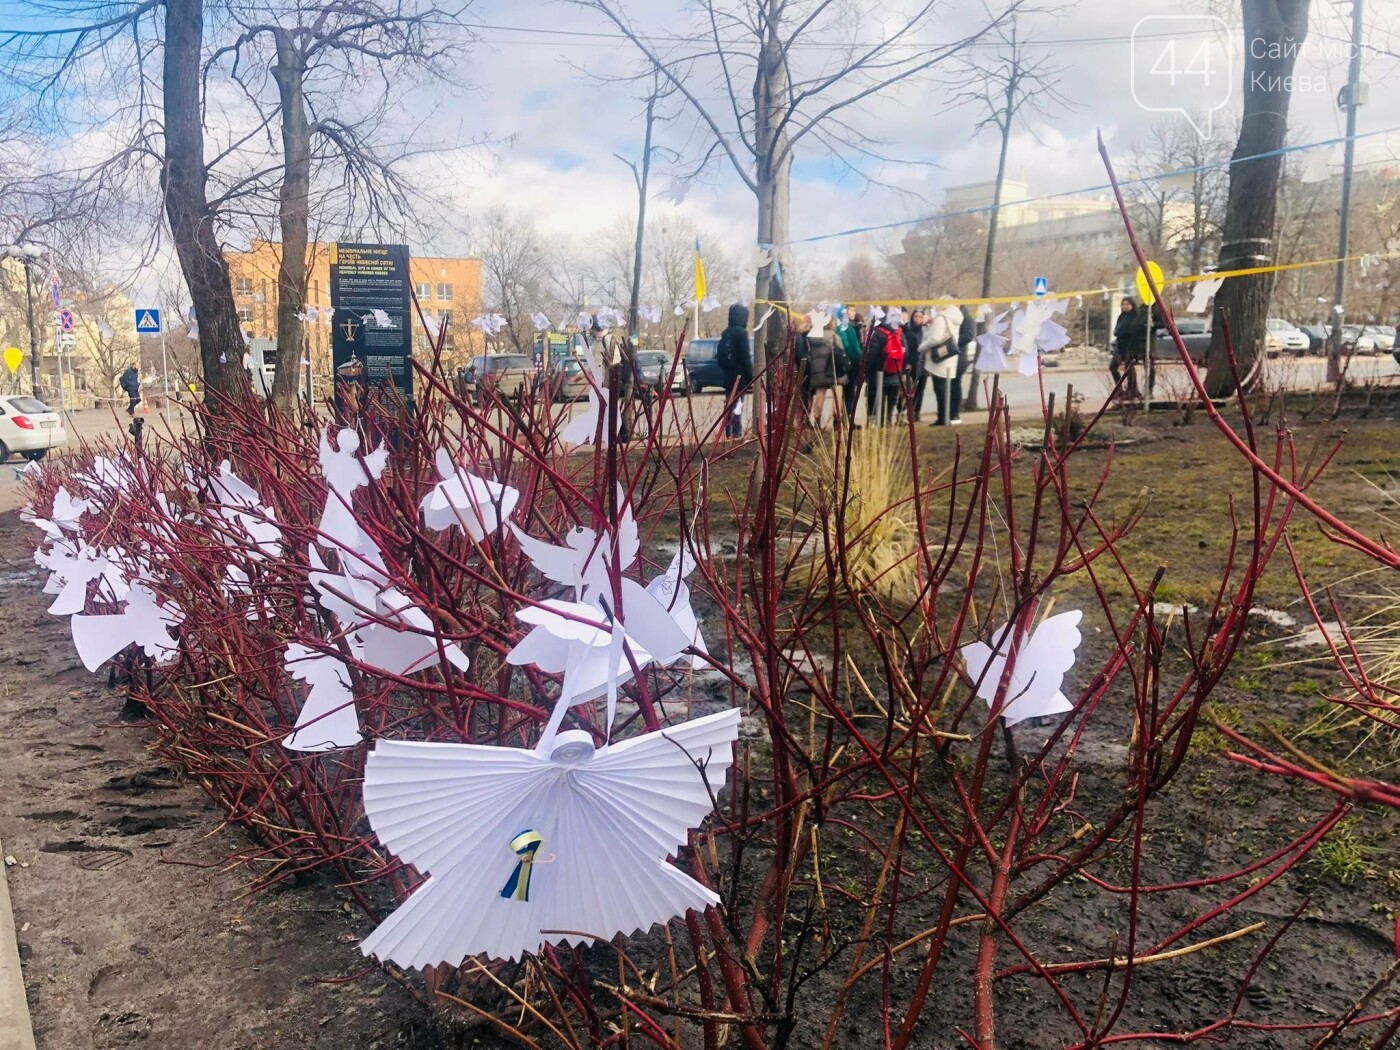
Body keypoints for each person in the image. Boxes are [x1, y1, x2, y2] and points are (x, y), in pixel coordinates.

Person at [591, 317, 633, 441]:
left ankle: (622, 434)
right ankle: (613, 434)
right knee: (605, 407)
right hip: (601, 380)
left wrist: (608, 376)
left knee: (610, 407)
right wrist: (580, 375)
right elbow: (594, 362)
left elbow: (615, 359)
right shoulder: (597, 342)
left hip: (611, 379)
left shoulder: (608, 339)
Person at [921, 305, 963, 426]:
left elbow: (934, 338)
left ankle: (943, 417)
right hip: (950, 357)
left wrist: (922, 348)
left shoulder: (942, 318)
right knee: (946, 390)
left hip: (940, 358)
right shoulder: (956, 319)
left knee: (941, 390)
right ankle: (947, 415)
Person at [803, 314, 846, 430]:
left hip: (818, 372)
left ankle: (816, 420)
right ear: (830, 323)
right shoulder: (834, 337)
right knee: (837, 395)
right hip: (833, 370)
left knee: (820, 395)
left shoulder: (812, 338)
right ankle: (837, 421)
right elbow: (841, 353)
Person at [717, 302, 753, 439]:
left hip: (728, 375)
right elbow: (745, 357)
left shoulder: (727, 332)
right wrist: (751, 376)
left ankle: (727, 431)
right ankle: (736, 431)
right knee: (738, 404)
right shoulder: (742, 333)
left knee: (729, 404)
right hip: (740, 376)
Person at [866, 308, 905, 426]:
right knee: (892, 398)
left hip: (880, 372)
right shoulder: (900, 333)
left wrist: (867, 370)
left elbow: (872, 354)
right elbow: (905, 352)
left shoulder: (878, 333)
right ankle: (888, 419)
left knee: (879, 397)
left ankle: (878, 420)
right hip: (896, 371)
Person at [1111, 298, 1147, 398]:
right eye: (1123, 304)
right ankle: (1119, 390)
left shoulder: (1136, 316)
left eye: (1127, 304)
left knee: (1129, 369)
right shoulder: (1121, 316)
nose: (1125, 306)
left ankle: (1133, 390)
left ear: (1132, 305)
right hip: (1120, 345)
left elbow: (1135, 331)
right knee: (1113, 367)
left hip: (1130, 346)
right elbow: (1117, 330)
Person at [902, 309, 929, 421]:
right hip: (911, 362)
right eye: (916, 316)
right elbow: (906, 347)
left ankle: (917, 412)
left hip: (923, 363)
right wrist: (907, 363)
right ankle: (907, 411)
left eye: (920, 317)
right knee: (909, 389)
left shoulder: (926, 331)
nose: (918, 319)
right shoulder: (907, 329)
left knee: (920, 389)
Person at [840, 310, 864, 427]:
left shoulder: (849, 327)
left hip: (852, 363)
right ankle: (845, 419)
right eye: (851, 310)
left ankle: (848, 418)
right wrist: (860, 357)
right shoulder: (843, 328)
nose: (854, 312)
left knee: (850, 393)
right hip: (848, 363)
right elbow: (849, 346)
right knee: (848, 393)